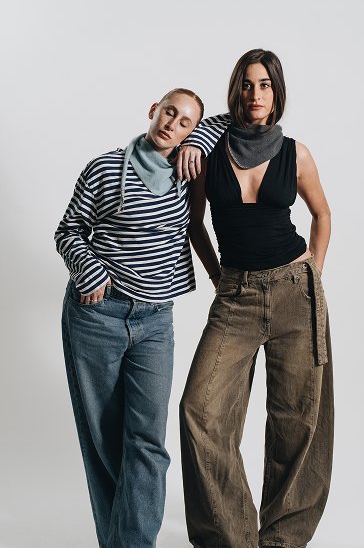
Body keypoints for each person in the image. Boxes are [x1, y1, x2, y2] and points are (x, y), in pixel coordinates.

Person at [178, 49, 334, 548]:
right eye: (247, 84)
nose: (255, 94)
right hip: (235, 296)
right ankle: (234, 539)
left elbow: (322, 215)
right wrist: (217, 276)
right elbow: (193, 224)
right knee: (199, 411)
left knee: (297, 421)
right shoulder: (209, 151)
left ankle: (282, 541)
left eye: (264, 84)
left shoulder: (296, 153)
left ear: (277, 91)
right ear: (236, 91)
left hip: (295, 291)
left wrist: (312, 274)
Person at [54, 88, 208, 548]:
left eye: (185, 123)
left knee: (147, 444)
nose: (172, 124)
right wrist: (89, 269)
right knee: (105, 440)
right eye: (169, 112)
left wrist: (199, 142)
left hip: (156, 321)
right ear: (153, 110)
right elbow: (68, 230)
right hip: (97, 315)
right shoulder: (104, 168)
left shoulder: (189, 171)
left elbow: (233, 122)